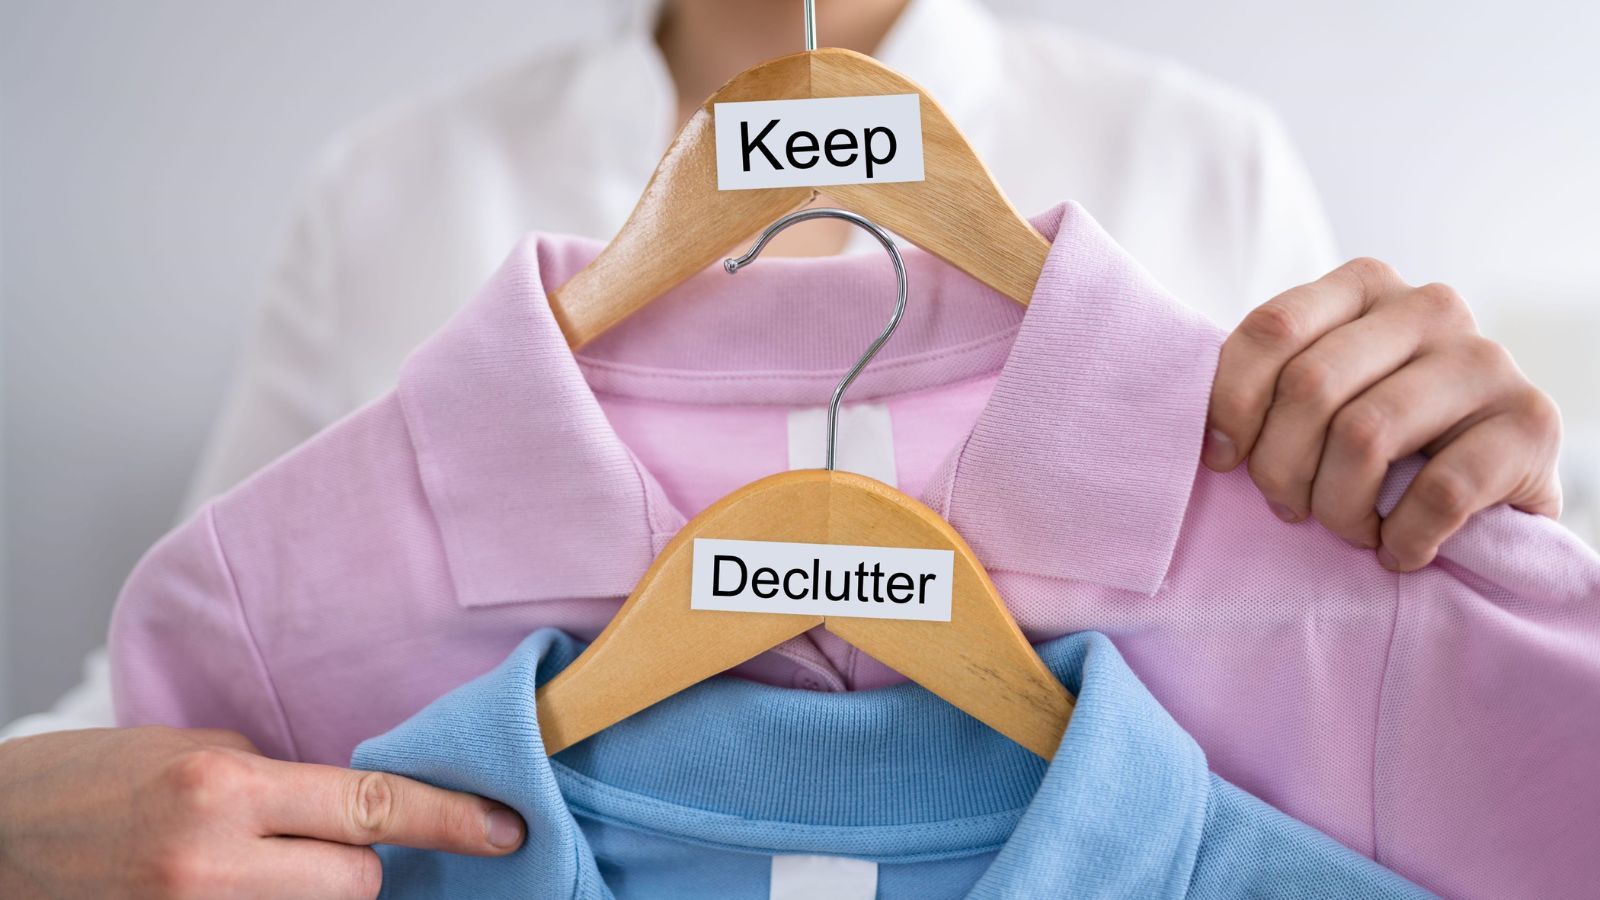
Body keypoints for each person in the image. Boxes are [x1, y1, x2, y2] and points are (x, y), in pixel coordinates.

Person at [0, 0, 1563, 896]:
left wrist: (1487, 545)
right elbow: (163, 749)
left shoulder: (1210, 160)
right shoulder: (386, 192)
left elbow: (1409, 674)